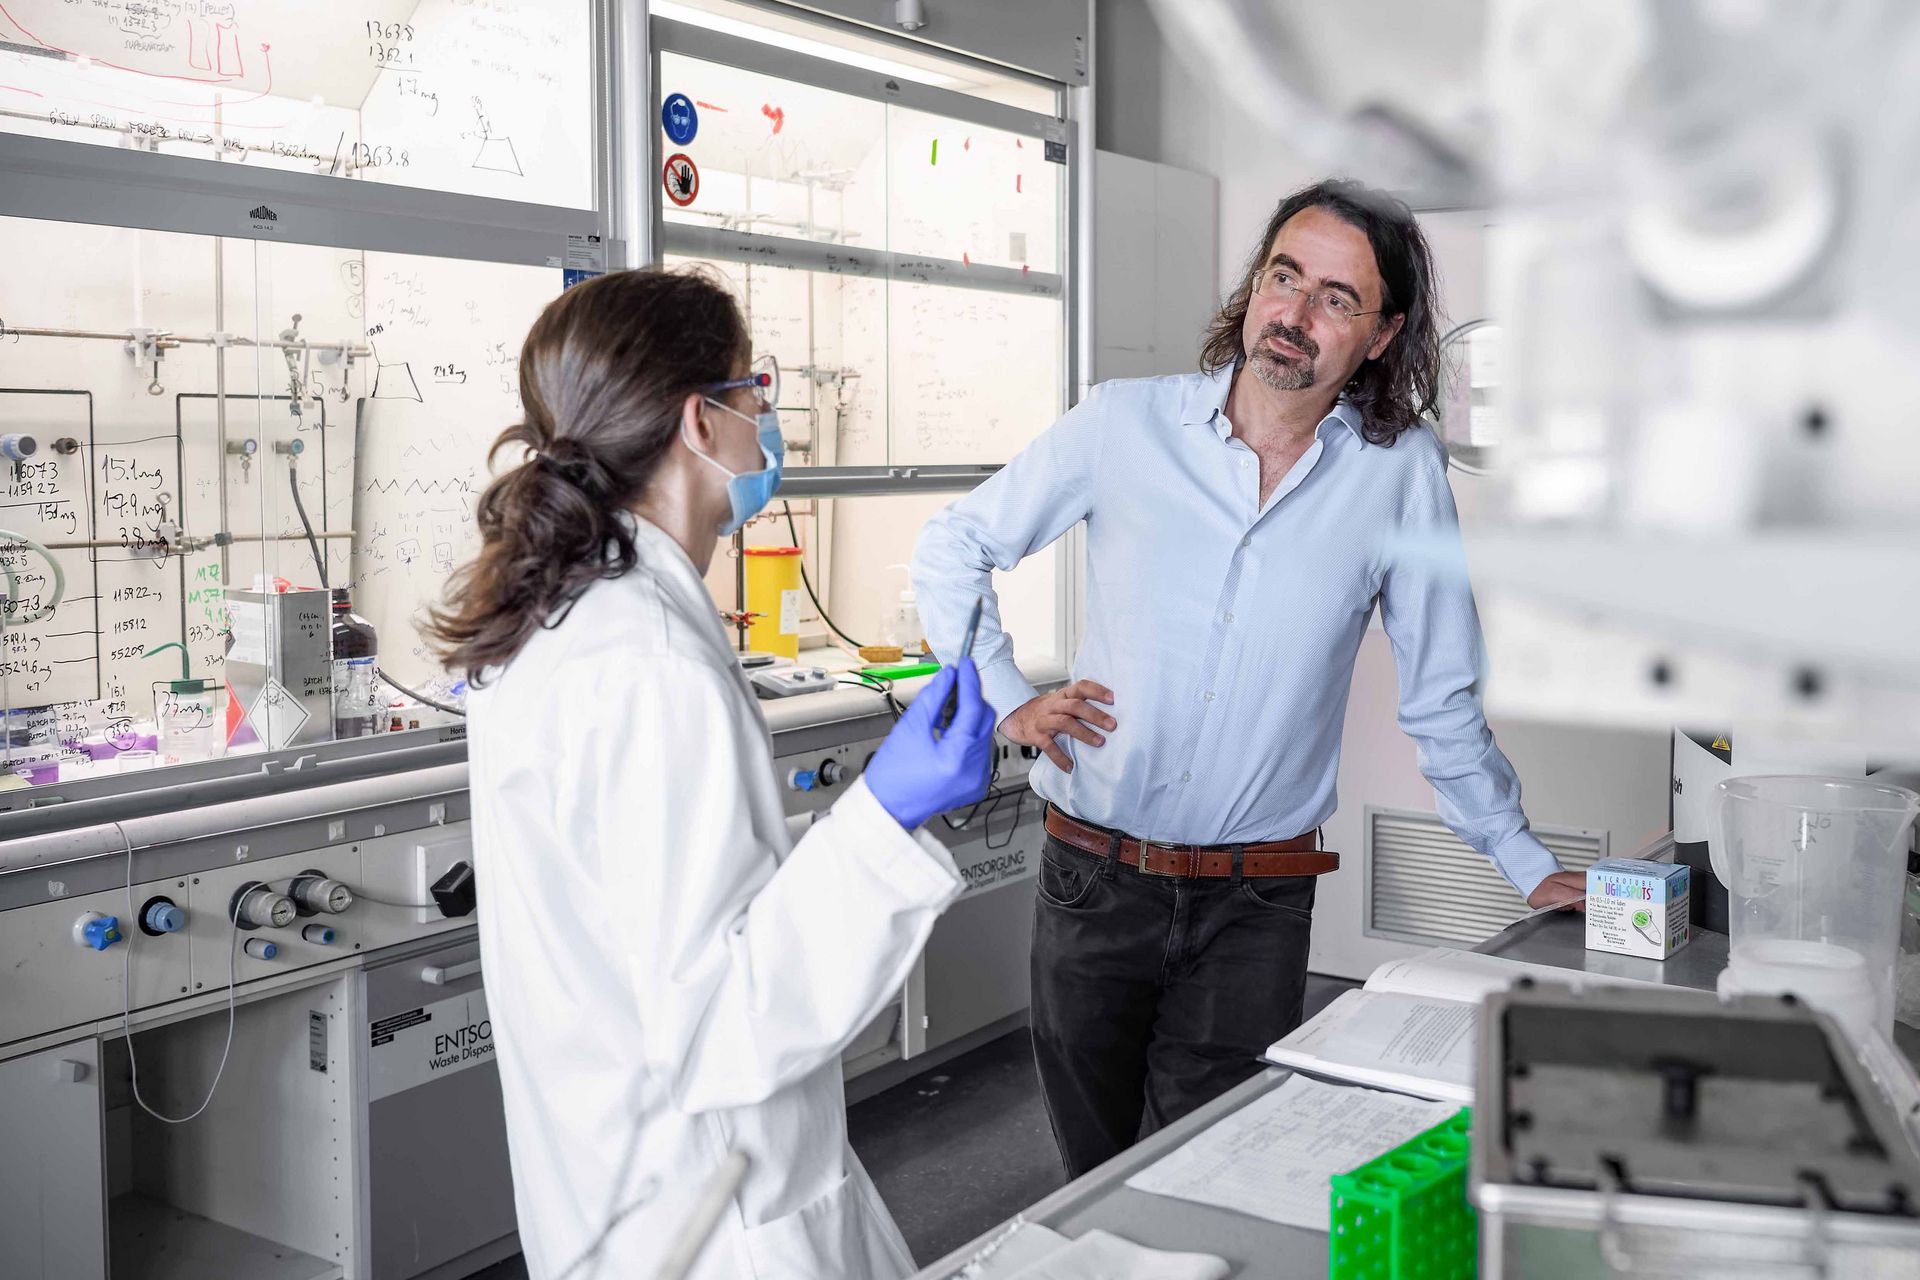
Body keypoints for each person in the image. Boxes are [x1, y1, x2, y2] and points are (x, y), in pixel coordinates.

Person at [911, 179, 1586, 1177]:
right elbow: (952, 548)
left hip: (1254, 905)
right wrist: (1005, 694)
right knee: (1095, 1175)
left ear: (1382, 336)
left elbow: (1441, 693)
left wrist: (1525, 861)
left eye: (1337, 299)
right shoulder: (1123, 424)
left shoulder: (1398, 471)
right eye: (1284, 276)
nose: (1295, 314)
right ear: (1255, 283)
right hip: (1092, 881)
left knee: (1214, 1170)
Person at [428, 267, 995, 1280]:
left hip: (620, 1180)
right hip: (710, 1218)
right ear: (701, 419)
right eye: (754, 391)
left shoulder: (565, 615)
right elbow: (720, 1020)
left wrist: (847, 829)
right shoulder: (648, 661)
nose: (764, 421)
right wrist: (884, 814)